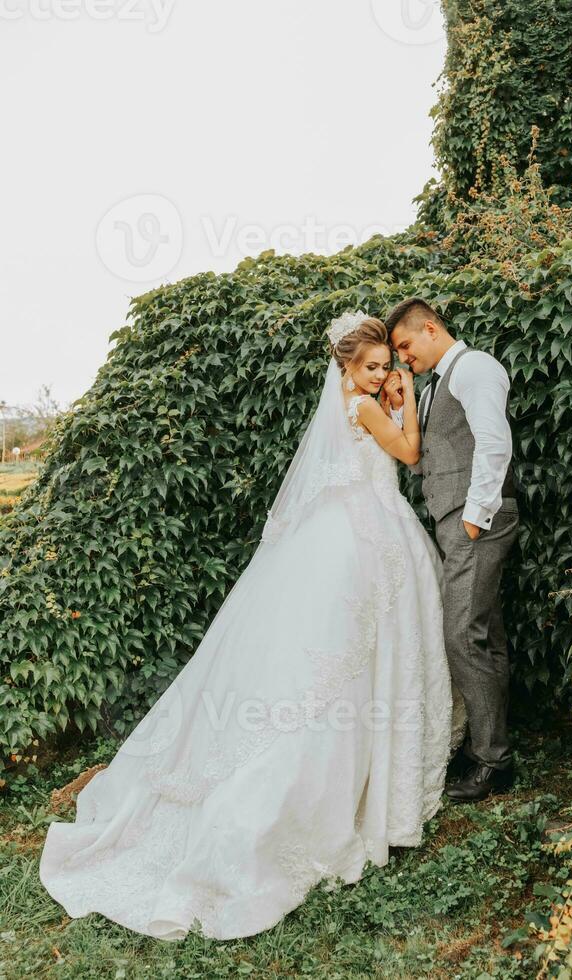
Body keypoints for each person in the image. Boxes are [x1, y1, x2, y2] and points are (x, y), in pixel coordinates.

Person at [39, 311, 464, 942]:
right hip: (364, 536)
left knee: (345, 656)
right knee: (349, 657)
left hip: (353, 532)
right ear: (347, 367)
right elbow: (409, 453)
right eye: (374, 366)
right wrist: (403, 401)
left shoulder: (345, 406)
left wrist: (394, 391)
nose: (382, 375)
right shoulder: (366, 407)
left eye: (386, 365)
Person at [385, 297, 519, 803]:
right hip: (456, 521)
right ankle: (491, 745)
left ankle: (493, 762)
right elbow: (424, 458)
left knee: (461, 634)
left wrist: (474, 516)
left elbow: (493, 441)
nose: (403, 358)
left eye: (405, 345)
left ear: (431, 328)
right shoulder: (434, 385)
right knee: (484, 632)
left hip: (475, 520)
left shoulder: (474, 368)